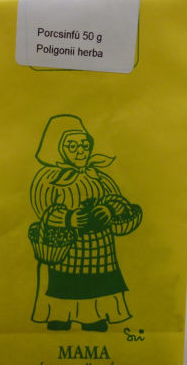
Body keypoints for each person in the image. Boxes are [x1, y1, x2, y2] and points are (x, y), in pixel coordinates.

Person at [29, 114, 142, 332]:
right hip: (65, 246)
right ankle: (59, 316)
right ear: (57, 147)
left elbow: (117, 201)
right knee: (61, 284)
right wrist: (68, 219)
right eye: (72, 146)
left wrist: (108, 210)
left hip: (99, 248)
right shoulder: (49, 179)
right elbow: (44, 209)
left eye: (84, 145)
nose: (80, 151)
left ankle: (94, 317)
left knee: (96, 283)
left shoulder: (98, 176)